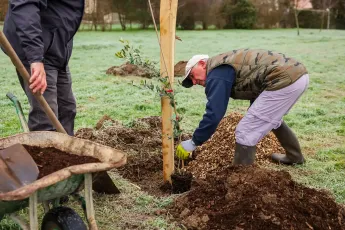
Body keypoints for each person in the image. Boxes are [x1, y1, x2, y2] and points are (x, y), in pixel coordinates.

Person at [176, 49, 309, 165]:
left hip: (283, 79)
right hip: (296, 74)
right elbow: (255, 81)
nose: (194, 82)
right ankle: (294, 156)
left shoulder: (216, 72)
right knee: (268, 118)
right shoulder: (222, 65)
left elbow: (214, 113)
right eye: (191, 81)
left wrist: (194, 142)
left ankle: (241, 184)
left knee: (246, 130)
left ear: (202, 63)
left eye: (192, 75)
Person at [2, 0, 85, 136]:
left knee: (67, 110)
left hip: (57, 51)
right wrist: (35, 58)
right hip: (35, 49)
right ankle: (43, 155)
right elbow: (26, 6)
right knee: (45, 119)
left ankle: (67, 154)